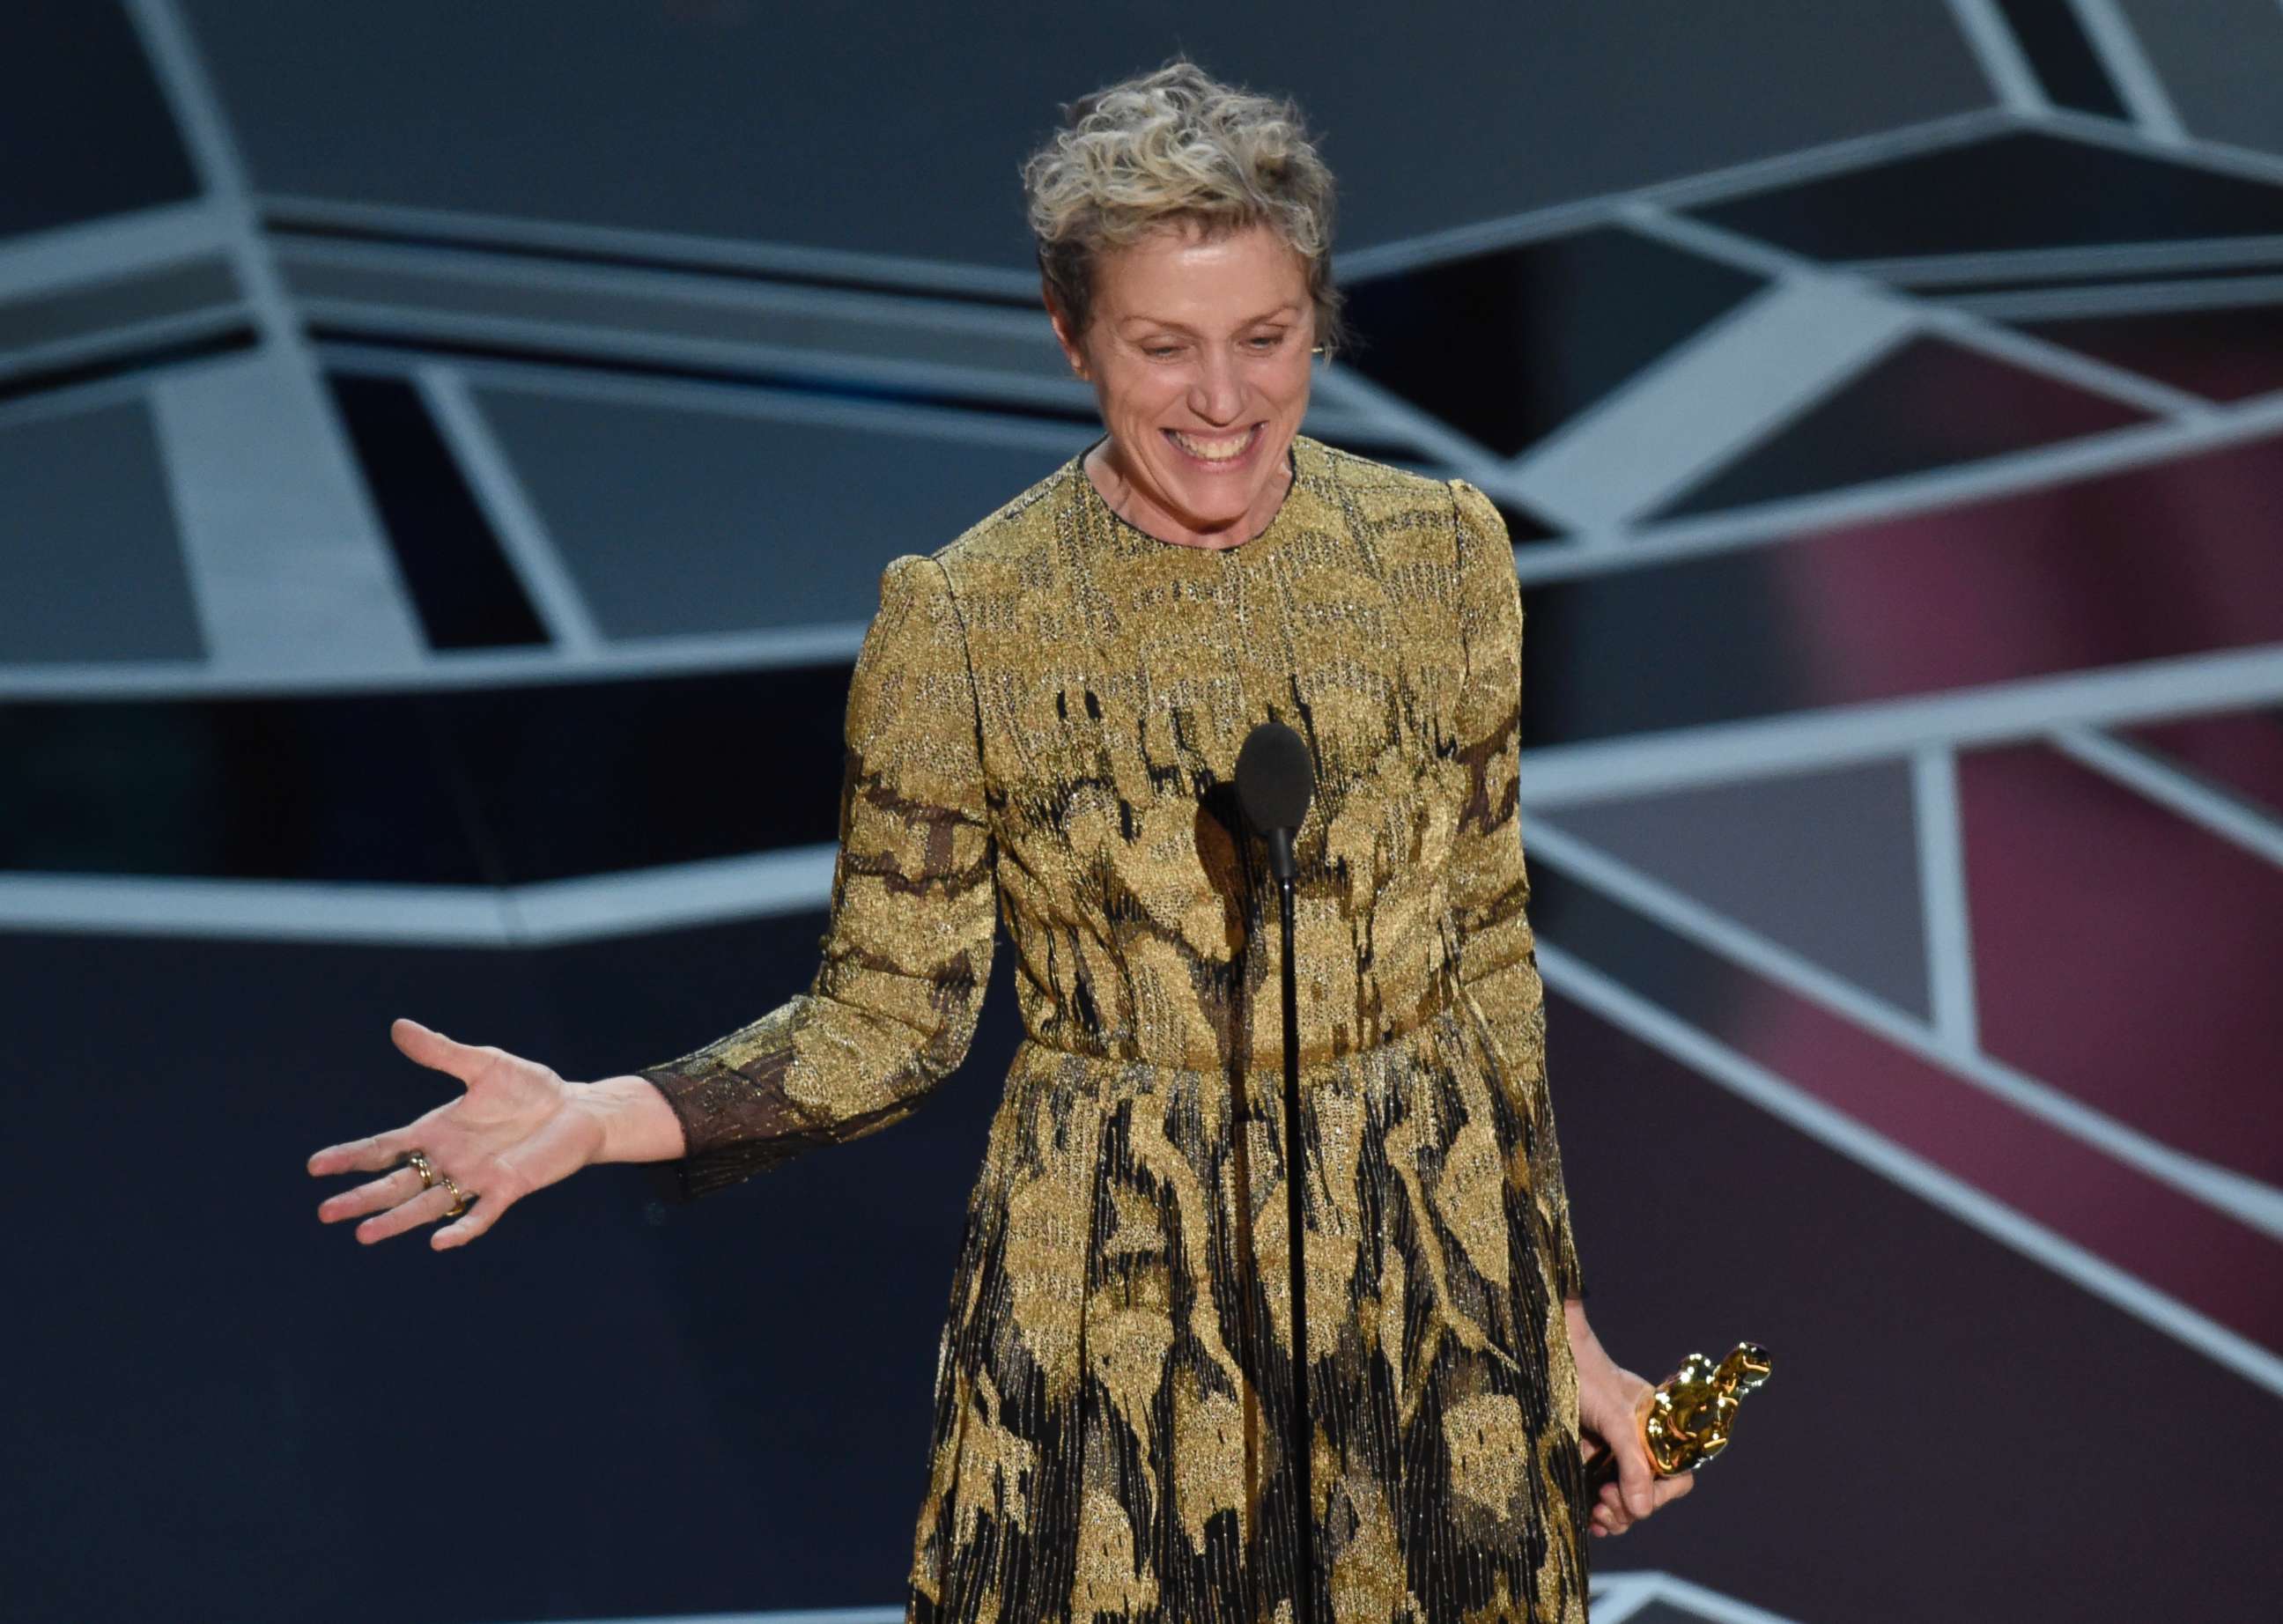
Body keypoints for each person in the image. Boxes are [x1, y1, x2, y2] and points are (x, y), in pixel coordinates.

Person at [308, 56, 1693, 1623]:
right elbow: (887, 1015)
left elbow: (1487, 959)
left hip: (1425, 1282)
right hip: (1123, 1292)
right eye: (1164, 348)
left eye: (1267, 338)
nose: (1224, 401)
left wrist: (1560, 1323)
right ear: (1071, 337)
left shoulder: (1441, 553)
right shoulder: (966, 619)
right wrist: (605, 1113)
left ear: (1321, 320)